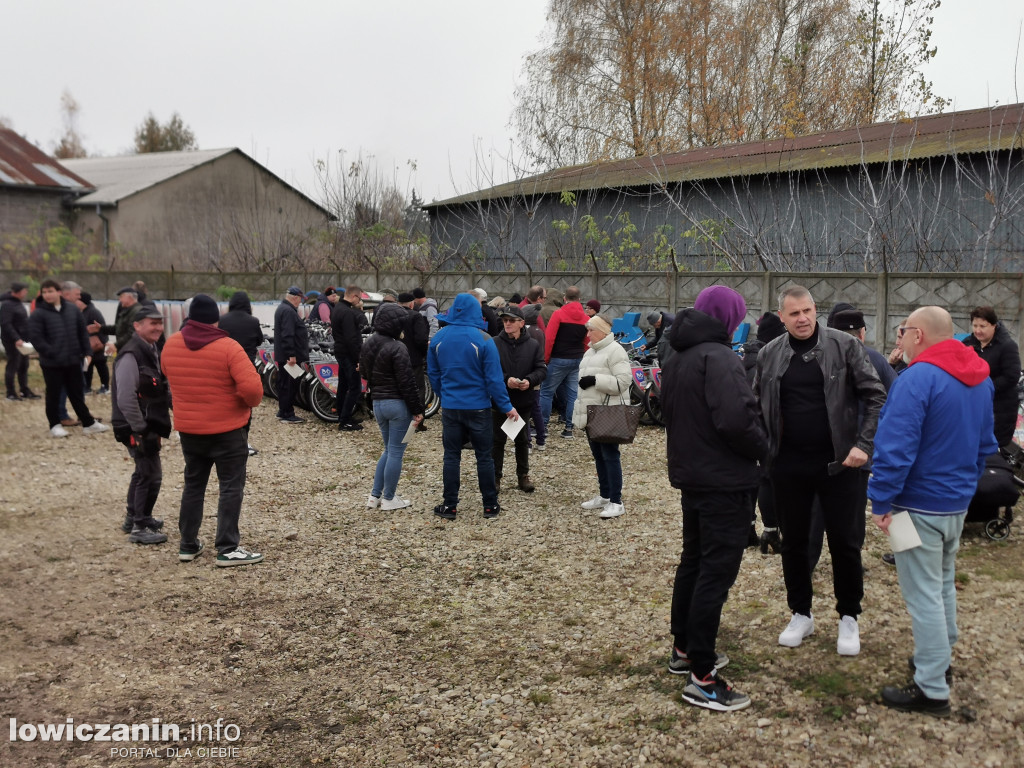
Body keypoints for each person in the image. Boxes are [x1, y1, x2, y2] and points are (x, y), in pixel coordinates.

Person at [868, 306, 998, 717]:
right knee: (941, 584)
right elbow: (984, 446)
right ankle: (939, 657)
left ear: (919, 335)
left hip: (917, 506)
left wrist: (881, 500)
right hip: (955, 504)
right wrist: (963, 488)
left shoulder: (917, 379)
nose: (899, 339)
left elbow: (894, 447)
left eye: (903, 331)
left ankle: (932, 689)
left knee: (923, 594)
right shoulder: (980, 378)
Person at [752, 285, 886, 657]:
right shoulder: (769, 354)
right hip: (789, 465)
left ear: (816, 310)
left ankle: (849, 616)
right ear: (782, 317)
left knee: (845, 542)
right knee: (794, 543)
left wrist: (864, 445)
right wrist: (763, 450)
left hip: (841, 464)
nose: (803, 319)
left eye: (808, 310)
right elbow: (756, 405)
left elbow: (875, 395)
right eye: (794, 313)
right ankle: (801, 612)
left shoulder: (844, 346)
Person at [661, 285, 767, 712]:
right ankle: (702, 676)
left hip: (694, 476)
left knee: (694, 561)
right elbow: (737, 420)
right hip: (724, 480)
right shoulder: (720, 357)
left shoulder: (678, 353)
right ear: (728, 317)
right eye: (738, 316)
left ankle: (685, 647)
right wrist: (765, 447)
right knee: (715, 572)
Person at [161, 294, 265, 566]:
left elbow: (168, 377)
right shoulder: (228, 347)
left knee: (194, 485)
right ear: (215, 319)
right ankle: (228, 548)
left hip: (190, 431)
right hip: (227, 429)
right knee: (231, 486)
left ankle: (188, 544)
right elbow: (253, 391)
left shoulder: (170, 345)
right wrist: (242, 404)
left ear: (190, 318)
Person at [427, 293, 519, 521]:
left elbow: (434, 374)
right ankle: (490, 505)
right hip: (478, 407)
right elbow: (494, 380)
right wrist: (506, 406)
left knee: (451, 456)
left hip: (451, 407)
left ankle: (450, 506)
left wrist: (444, 395)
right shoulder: (484, 339)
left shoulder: (439, 338)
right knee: (484, 457)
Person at [111, 305, 171, 545]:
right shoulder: (130, 355)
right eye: (151, 323)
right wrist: (141, 429)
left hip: (148, 423)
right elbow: (125, 397)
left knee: (142, 471)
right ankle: (140, 526)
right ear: (137, 326)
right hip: (136, 425)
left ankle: (132, 517)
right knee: (151, 475)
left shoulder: (151, 348)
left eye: (159, 323)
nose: (157, 327)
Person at [360, 302, 425, 510]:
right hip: (397, 404)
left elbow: (363, 373)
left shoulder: (368, 343)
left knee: (388, 450)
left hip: (377, 402)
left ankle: (374, 496)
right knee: (396, 452)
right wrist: (417, 409)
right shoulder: (398, 347)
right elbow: (407, 382)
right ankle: (389, 498)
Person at [27, 279, 109, 438]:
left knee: (77, 392)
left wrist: (87, 352)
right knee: (53, 393)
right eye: (44, 292)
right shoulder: (38, 313)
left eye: (50, 291)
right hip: (52, 362)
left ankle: (88, 423)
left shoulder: (72, 310)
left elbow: (82, 333)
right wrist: (50, 352)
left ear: (58, 292)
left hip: (73, 359)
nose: (47, 295)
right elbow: (36, 338)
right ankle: (55, 424)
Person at [575, 314, 632, 518]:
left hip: (607, 413)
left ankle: (616, 501)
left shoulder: (615, 351)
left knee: (610, 456)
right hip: (591, 413)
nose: (588, 333)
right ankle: (605, 495)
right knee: (599, 456)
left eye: (591, 330)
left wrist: (595, 380)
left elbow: (624, 382)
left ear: (602, 331)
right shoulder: (591, 351)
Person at [740, 311, 787, 551]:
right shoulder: (771, 360)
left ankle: (747, 529)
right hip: (766, 429)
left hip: (745, 429)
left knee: (750, 479)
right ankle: (771, 530)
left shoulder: (744, 359)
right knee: (767, 479)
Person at [492, 305, 546, 493]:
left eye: (511, 320)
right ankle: (495, 477)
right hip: (499, 400)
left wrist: (529, 381)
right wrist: (506, 379)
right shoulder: (494, 343)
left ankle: (523, 475)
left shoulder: (532, 345)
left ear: (521, 323)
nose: (507, 323)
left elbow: (541, 369)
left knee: (522, 440)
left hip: (523, 400)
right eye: (505, 320)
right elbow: (490, 370)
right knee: (497, 440)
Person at [963, 305, 1021, 448]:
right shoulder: (968, 343)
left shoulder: (1007, 346)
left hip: (999, 408)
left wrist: (985, 388)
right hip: (973, 405)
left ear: (994, 325)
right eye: (975, 325)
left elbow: (1011, 376)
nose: (977, 330)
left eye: (983, 326)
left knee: (992, 448)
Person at [218, 291, 265, 456]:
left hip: (224, 367)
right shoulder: (253, 321)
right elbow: (259, 340)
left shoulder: (222, 320)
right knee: (245, 403)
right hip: (247, 366)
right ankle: (242, 440)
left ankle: (224, 439)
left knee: (225, 402)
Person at [541, 286, 589, 439]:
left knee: (546, 392)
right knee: (573, 394)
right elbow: (587, 342)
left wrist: (545, 359)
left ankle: (543, 426)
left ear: (564, 299)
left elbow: (549, 339)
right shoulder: (587, 319)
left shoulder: (559, 314)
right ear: (580, 299)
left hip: (558, 358)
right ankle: (569, 428)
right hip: (577, 359)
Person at [331, 284, 366, 431]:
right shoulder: (348, 313)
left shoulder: (337, 308)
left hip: (340, 351)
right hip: (348, 354)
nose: (359, 301)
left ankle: (342, 415)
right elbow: (351, 339)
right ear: (354, 296)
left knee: (343, 385)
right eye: (359, 298)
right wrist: (358, 359)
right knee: (355, 388)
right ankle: (345, 420)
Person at [273, 286, 309, 424]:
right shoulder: (288, 311)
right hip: (289, 357)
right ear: (295, 297)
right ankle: (287, 413)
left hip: (284, 355)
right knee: (289, 385)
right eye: (300, 299)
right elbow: (288, 335)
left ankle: (283, 411)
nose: (300, 302)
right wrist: (291, 355)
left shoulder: (283, 308)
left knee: (284, 383)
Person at [1, 281, 39, 401]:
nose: (26, 292)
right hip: (13, 341)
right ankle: (10, 393)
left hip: (23, 340)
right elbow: (5, 324)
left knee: (24, 365)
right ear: (18, 292)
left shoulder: (18, 303)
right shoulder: (8, 304)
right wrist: (16, 338)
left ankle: (24, 390)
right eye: (24, 290)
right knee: (13, 365)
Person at [397, 291, 430, 430]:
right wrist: (423, 354)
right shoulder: (415, 316)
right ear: (411, 303)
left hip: (396, 358)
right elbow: (421, 339)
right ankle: (417, 422)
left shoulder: (394, 316)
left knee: (399, 389)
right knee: (417, 390)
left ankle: (400, 420)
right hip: (413, 359)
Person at [521, 302, 548, 452]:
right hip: (537, 374)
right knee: (536, 407)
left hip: (527, 375)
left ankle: (527, 442)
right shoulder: (539, 331)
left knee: (525, 408)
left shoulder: (527, 332)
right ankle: (541, 439)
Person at [77, 291, 110, 395]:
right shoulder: (82, 312)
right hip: (88, 346)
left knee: (101, 366)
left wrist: (102, 341)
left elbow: (100, 327)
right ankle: (87, 386)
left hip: (97, 345)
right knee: (87, 367)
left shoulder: (93, 312)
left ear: (82, 301)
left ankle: (105, 386)